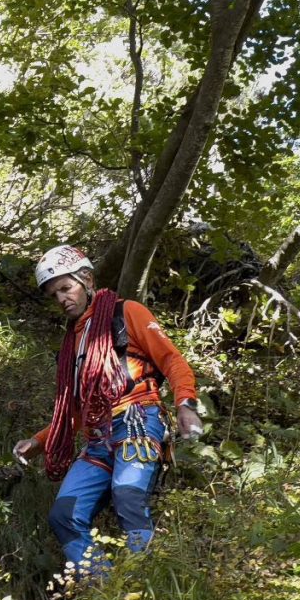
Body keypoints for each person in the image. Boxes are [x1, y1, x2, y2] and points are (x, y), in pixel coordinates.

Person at [13, 245, 201, 576]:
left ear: (86, 279)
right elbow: (76, 407)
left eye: (65, 288)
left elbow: (171, 359)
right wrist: (40, 440)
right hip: (97, 437)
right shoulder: (73, 340)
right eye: (54, 294)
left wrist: (185, 402)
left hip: (137, 419)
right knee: (64, 516)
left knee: (128, 495)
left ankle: (144, 585)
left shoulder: (127, 313)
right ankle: (104, 591)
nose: (61, 299)